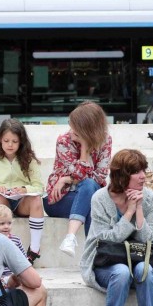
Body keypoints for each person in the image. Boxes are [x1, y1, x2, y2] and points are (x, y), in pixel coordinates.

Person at [80, 149, 153, 306]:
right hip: (103, 261)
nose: (144, 175)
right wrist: (128, 214)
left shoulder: (151, 198)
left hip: (138, 260)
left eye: (144, 169)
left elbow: (150, 239)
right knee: (122, 273)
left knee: (145, 271)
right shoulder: (100, 198)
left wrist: (139, 209)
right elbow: (104, 239)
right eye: (136, 171)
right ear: (122, 175)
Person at [46, 101, 112, 257]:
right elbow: (81, 174)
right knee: (92, 195)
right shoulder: (63, 141)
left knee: (91, 191)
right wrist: (84, 150)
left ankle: (71, 239)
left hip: (88, 195)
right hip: (60, 199)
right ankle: (95, 258)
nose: (71, 129)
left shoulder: (105, 141)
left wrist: (66, 179)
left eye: (76, 125)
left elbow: (101, 177)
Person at [0, 119, 46, 262]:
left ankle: (34, 248)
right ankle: (0, 243)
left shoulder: (29, 159)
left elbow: (39, 187)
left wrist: (24, 189)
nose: (10, 145)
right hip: (3, 201)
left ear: (21, 141)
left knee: (36, 200)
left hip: (22, 201)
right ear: (0, 139)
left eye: (14, 141)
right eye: (6, 141)